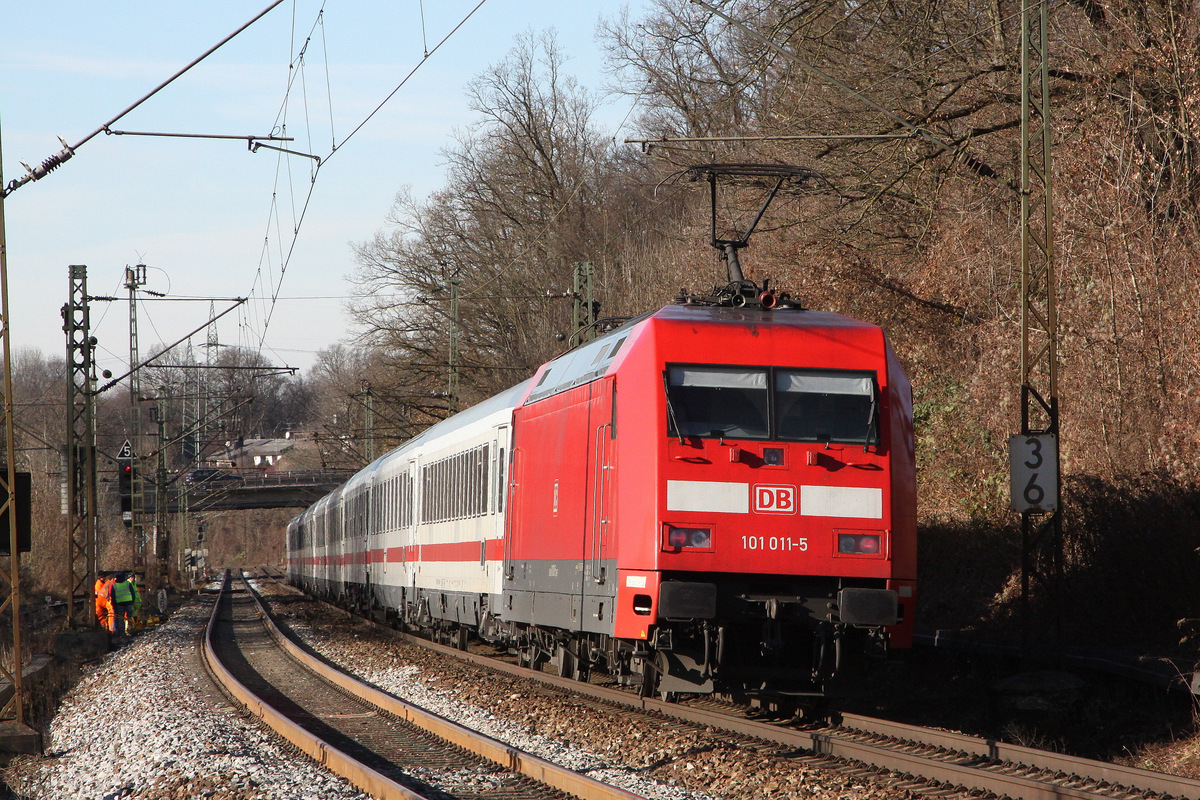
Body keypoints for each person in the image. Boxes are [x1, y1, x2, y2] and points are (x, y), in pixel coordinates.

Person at [108, 571, 136, 639]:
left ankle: (122, 633)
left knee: (121, 619)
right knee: (130, 617)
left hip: (119, 604)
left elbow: (113, 596)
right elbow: (133, 593)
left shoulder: (114, 585)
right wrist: (132, 601)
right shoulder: (127, 583)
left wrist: (114, 605)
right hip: (129, 602)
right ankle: (131, 631)